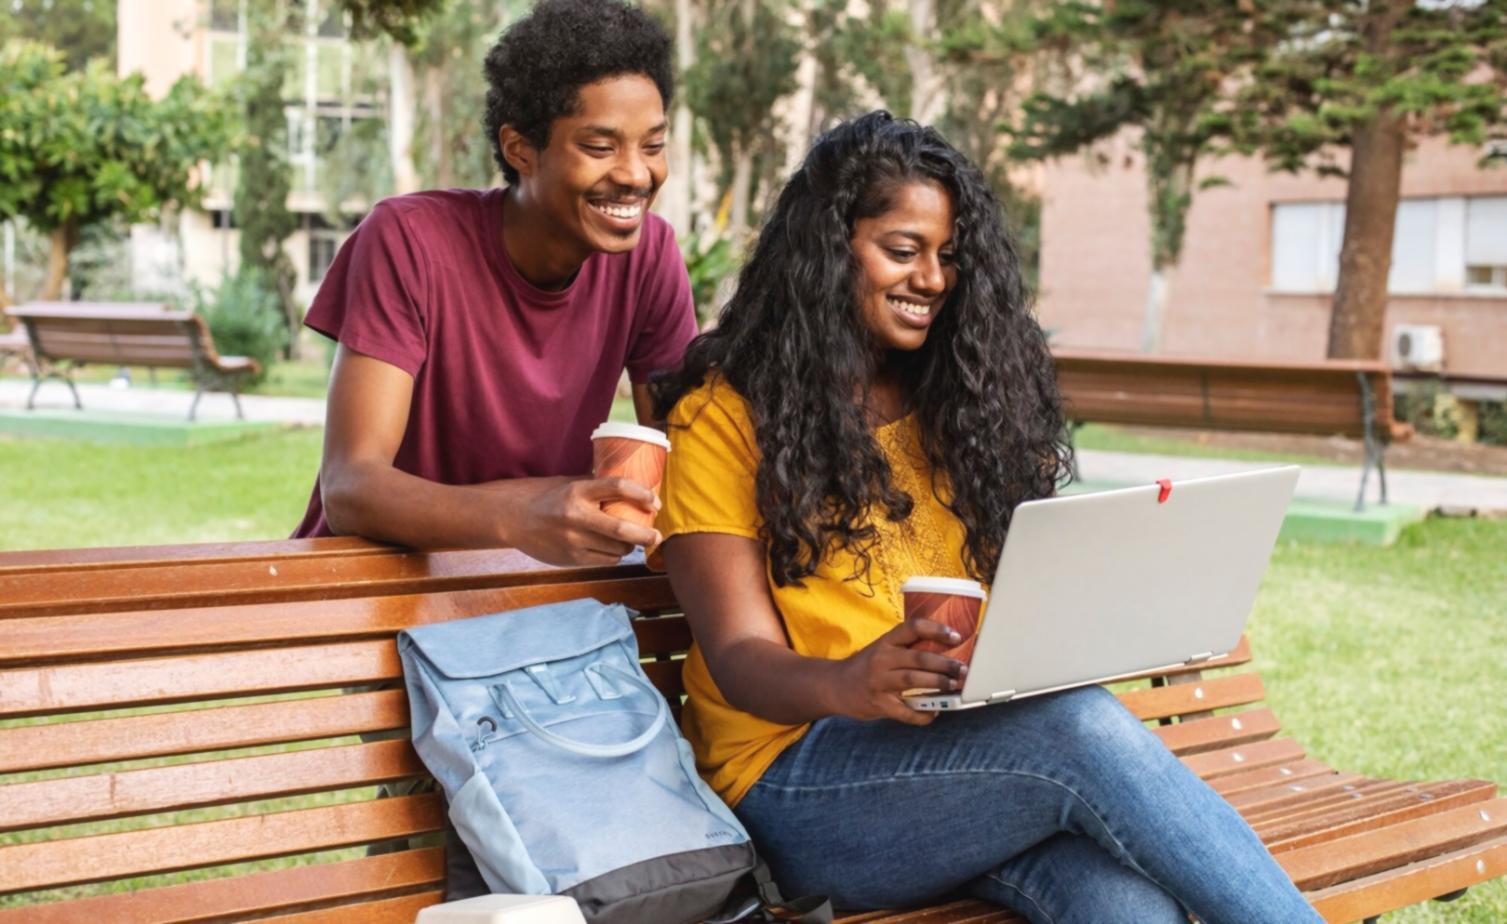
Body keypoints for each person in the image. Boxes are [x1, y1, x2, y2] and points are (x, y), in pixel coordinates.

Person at [649, 112, 1323, 924]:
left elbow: (1025, 605)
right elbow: (736, 659)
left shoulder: (961, 408)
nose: (932, 278)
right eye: (903, 250)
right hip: (796, 787)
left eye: (949, 256)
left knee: (1126, 908)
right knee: (1074, 728)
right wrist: (850, 681)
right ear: (825, 250)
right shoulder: (724, 417)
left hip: (968, 765)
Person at [291, 0, 696, 565]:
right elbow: (351, 488)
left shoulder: (649, 256)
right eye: (600, 147)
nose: (635, 174)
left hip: (523, 591)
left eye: (652, 145)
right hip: (371, 585)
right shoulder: (409, 241)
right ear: (519, 149)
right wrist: (523, 516)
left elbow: (684, 458)